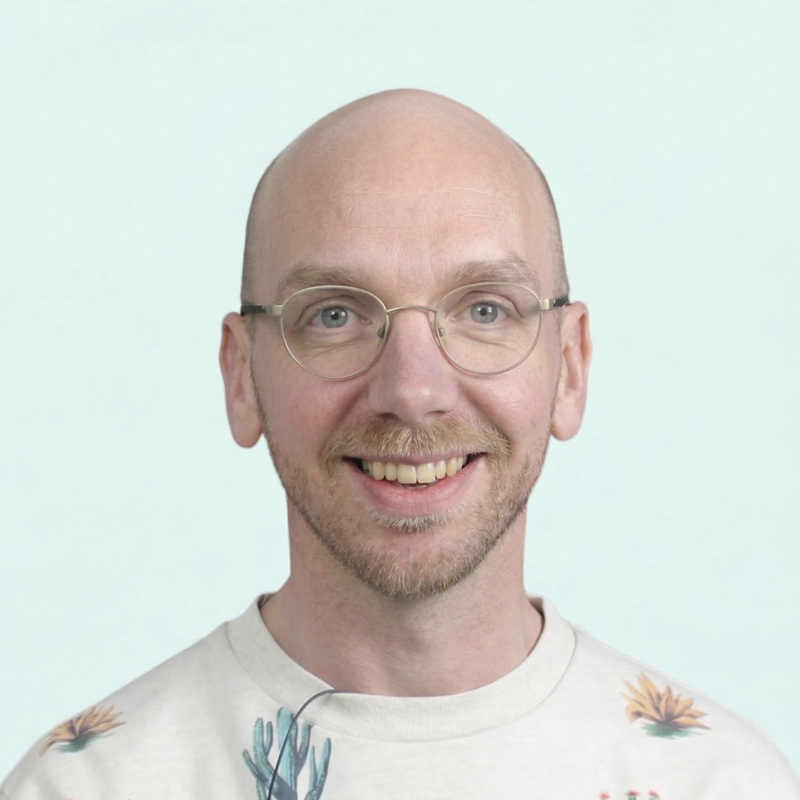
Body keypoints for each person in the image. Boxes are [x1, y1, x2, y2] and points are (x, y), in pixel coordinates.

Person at [2, 89, 797, 800]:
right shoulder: (87, 787)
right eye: (335, 315)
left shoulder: (720, 784)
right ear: (241, 376)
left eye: (485, 310)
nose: (413, 391)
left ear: (571, 367)